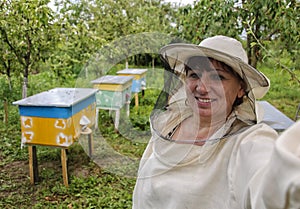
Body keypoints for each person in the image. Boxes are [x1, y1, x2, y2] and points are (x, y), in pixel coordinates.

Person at [132, 35, 300, 209]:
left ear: (241, 88)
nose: (202, 88)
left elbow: (272, 186)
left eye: (218, 77)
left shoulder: (248, 141)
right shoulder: (170, 123)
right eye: (194, 75)